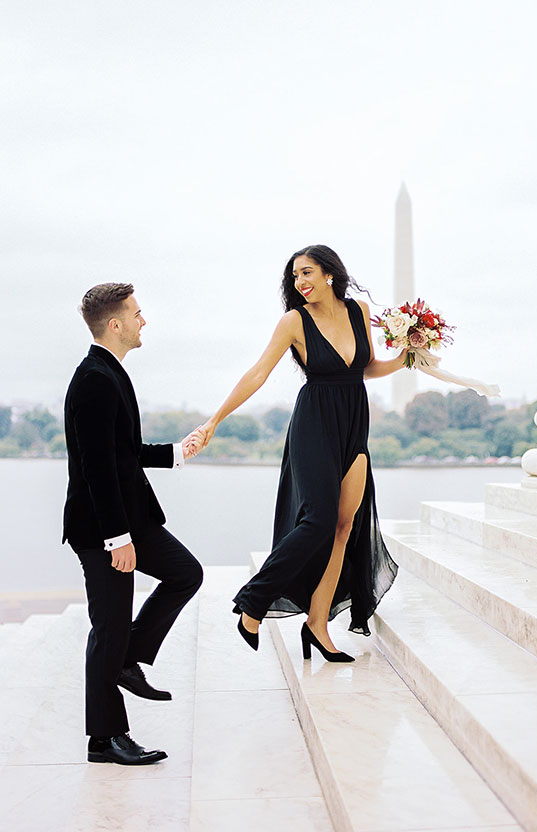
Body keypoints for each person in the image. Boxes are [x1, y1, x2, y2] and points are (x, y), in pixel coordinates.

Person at [195, 246, 400, 661]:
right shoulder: (294, 321)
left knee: (345, 525)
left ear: (330, 274)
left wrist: (407, 358)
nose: (299, 282)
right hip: (314, 426)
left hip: (355, 425)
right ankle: (255, 600)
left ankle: (317, 625)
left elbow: (365, 367)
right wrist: (214, 420)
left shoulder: (358, 311)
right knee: (318, 521)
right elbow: (257, 373)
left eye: (307, 273)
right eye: (294, 277)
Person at [63, 282, 204, 765]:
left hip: (130, 517)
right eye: (138, 314)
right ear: (116, 323)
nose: (144, 321)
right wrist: (116, 540)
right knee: (108, 627)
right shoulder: (94, 380)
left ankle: (129, 658)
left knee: (186, 574)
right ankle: (105, 739)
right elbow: (97, 467)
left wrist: (176, 453)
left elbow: (121, 453)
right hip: (105, 529)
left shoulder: (110, 373)